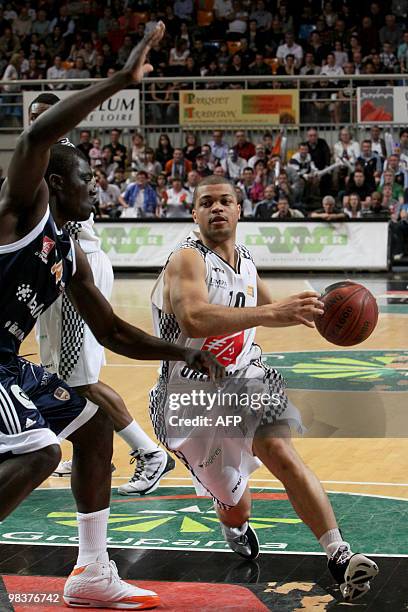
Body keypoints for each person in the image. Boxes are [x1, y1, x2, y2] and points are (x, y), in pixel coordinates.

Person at [0, 23, 223, 609]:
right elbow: (35, 140)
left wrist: (184, 351)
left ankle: (92, 571)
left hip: (4, 363)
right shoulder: (20, 211)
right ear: (52, 182)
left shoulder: (69, 252)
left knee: (93, 424)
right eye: (86, 182)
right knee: (41, 450)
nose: (96, 192)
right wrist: (121, 80)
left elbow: (113, 331)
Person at [149, 175, 378, 602]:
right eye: (207, 202)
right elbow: (194, 319)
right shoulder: (186, 259)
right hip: (189, 399)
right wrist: (274, 312)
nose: (217, 208)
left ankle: (340, 555)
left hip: (247, 379)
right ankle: (234, 523)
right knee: (236, 504)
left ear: (240, 210)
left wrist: (318, 310)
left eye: (226, 201)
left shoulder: (247, 261)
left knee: (280, 452)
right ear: (194, 213)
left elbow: (269, 308)